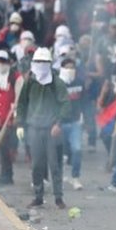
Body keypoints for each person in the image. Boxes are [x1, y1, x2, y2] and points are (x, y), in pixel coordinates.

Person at [17, 47, 71, 209]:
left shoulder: (57, 82)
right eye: (38, 61)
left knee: (55, 165)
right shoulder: (29, 82)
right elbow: (22, 104)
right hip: (34, 128)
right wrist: (20, 124)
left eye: (44, 62)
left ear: (49, 63)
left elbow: (65, 104)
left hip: (51, 129)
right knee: (36, 165)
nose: (41, 64)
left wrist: (58, 123)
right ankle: (38, 196)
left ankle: (58, 197)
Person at [0, 50, 18, 185]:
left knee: (6, 147)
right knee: (2, 147)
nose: (0, 64)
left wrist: (14, 115)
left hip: (9, 117)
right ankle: (6, 173)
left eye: (3, 61)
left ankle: (8, 174)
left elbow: (18, 96)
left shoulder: (14, 76)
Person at [58, 56, 86, 190]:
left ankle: (75, 177)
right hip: (60, 122)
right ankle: (60, 174)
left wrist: (84, 117)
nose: (70, 70)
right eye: (67, 67)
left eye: (72, 68)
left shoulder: (80, 83)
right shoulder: (57, 84)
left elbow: (85, 100)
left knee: (77, 149)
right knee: (61, 151)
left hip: (75, 121)